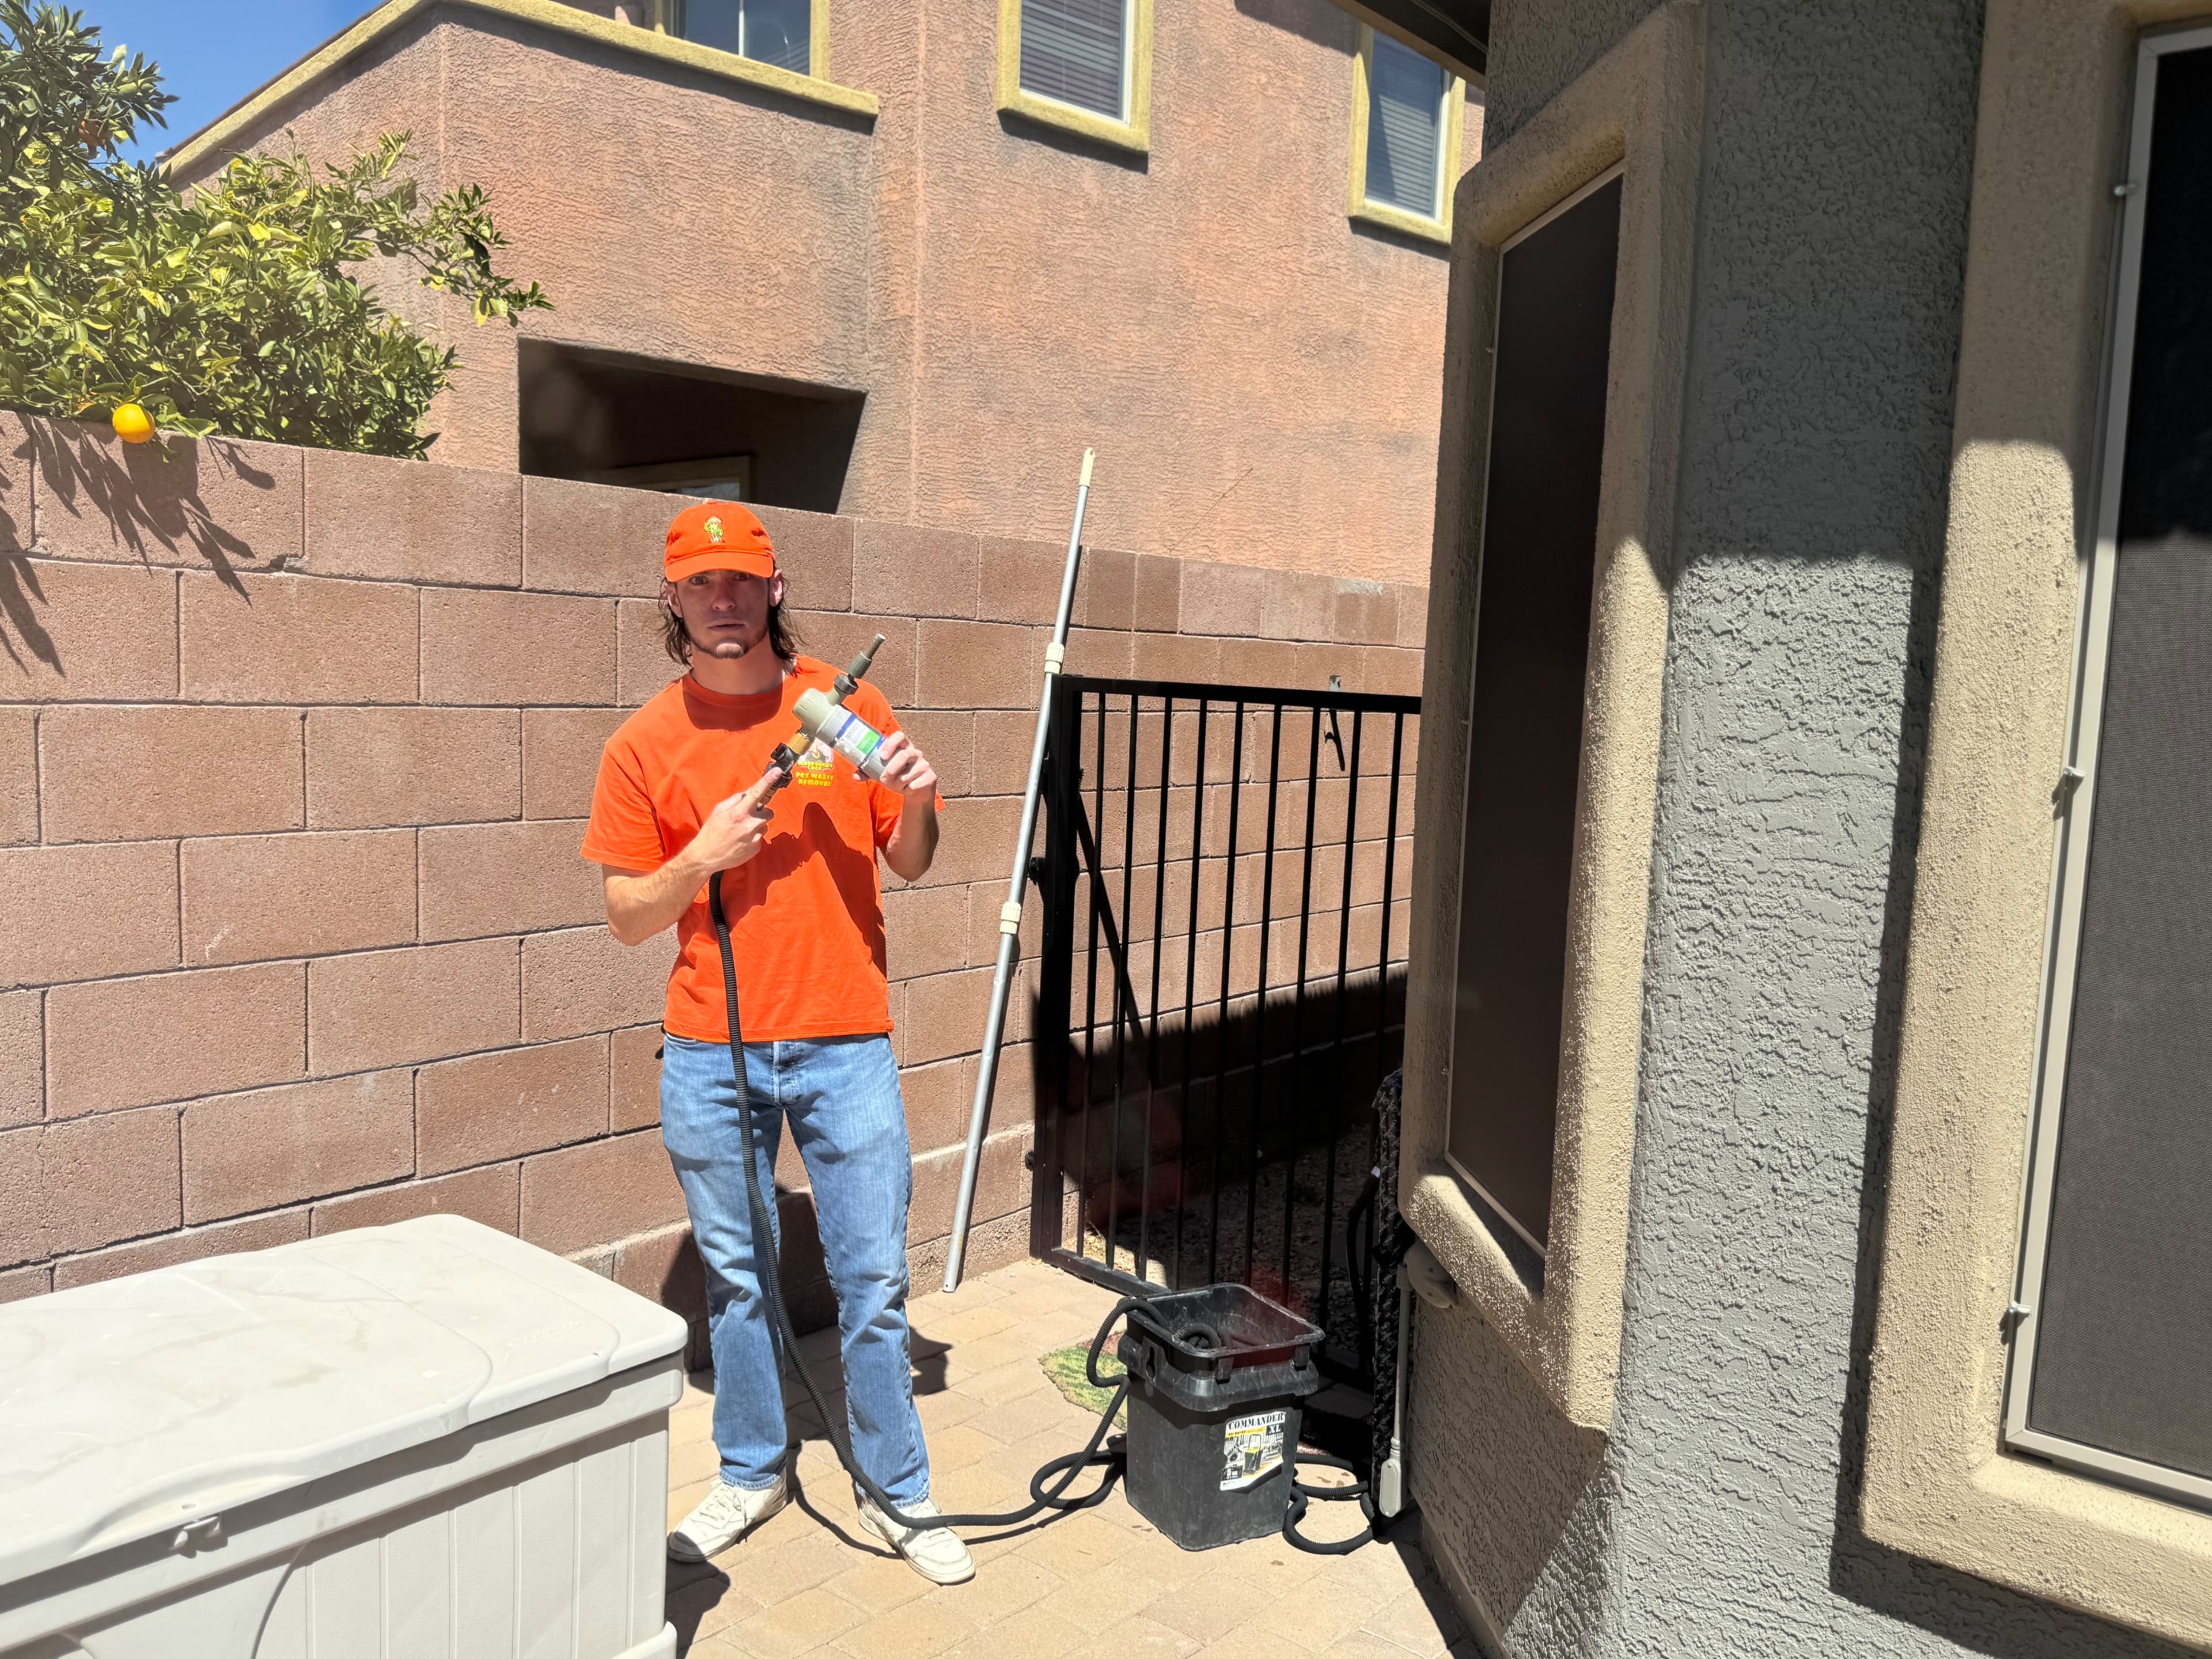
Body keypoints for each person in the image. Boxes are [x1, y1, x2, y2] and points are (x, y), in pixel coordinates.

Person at [580, 500, 972, 1586]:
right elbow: (624, 913)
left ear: (774, 587)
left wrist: (921, 798)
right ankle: (751, 1472)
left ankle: (899, 1489)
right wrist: (701, 855)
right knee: (740, 1280)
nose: (722, 599)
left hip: (846, 1040)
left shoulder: (840, 706)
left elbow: (915, 861)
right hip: (713, 1049)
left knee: (873, 1279)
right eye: (700, 583)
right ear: (671, 599)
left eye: (740, 580)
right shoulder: (643, 745)